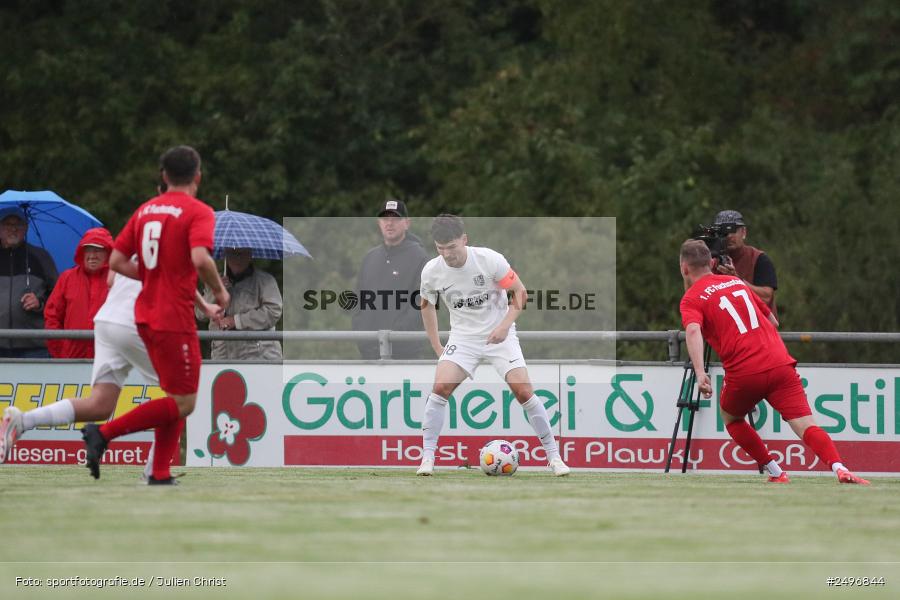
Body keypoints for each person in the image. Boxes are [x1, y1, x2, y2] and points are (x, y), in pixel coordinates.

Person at [80, 145, 229, 484]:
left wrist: (152, 275)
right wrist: (219, 292)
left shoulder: (146, 210)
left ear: (164, 176)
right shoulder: (198, 211)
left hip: (145, 315)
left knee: (174, 396)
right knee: (185, 402)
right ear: (198, 176)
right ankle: (103, 434)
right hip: (173, 319)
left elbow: (116, 262)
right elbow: (201, 259)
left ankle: (159, 473)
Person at [0, 267, 222, 477]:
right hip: (135, 322)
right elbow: (184, 270)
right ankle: (151, 469)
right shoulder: (172, 231)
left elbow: (111, 277)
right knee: (180, 398)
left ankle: (22, 421)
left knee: (99, 405)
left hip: (107, 319)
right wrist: (213, 298)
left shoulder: (137, 229)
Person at [679, 239, 868, 484]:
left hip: (744, 370)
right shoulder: (735, 281)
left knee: (731, 417)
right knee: (805, 425)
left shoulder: (691, 298)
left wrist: (700, 372)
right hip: (780, 362)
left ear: (684, 268)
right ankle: (840, 468)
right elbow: (773, 322)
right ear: (712, 262)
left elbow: (693, 331)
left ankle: (776, 472)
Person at [415, 214, 570, 476]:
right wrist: (437, 345)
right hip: (463, 339)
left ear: (464, 240)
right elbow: (427, 306)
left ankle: (554, 458)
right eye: (440, 249)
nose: (447, 255)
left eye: (451, 247)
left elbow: (520, 293)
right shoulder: (432, 270)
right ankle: (427, 459)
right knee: (440, 388)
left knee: (523, 391)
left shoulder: (489, 260)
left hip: (500, 336)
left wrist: (504, 326)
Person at [352, 199, 430, 359]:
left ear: (407, 223)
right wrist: (361, 336)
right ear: (379, 223)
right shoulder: (370, 257)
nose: (389, 223)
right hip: (370, 351)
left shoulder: (420, 257)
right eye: (385, 219)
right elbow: (358, 301)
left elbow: (422, 303)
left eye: (395, 219)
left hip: (406, 353)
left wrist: (396, 335)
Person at [197, 247, 283, 360]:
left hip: (259, 357)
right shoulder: (214, 280)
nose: (238, 258)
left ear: (250, 254)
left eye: (242, 253)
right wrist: (215, 291)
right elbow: (200, 314)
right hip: (223, 357)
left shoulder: (265, 281)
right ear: (226, 254)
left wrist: (237, 321)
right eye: (233, 253)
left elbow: (273, 312)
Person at [43, 227, 114, 358]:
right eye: (88, 250)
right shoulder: (67, 278)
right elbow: (52, 316)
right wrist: (60, 351)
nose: (92, 255)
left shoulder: (118, 279)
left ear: (108, 252)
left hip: (109, 358)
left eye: (98, 250)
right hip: (71, 357)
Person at [0, 207, 58, 358]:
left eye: (18, 225)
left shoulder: (42, 257)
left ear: (25, 228)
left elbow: (58, 297)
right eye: (7, 224)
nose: (13, 229)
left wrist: (40, 303)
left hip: (34, 347)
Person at [712, 210, 778, 315]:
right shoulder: (710, 261)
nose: (729, 236)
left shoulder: (758, 258)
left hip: (760, 328)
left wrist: (736, 280)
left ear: (744, 232)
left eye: (733, 230)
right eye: (723, 231)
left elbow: (766, 298)